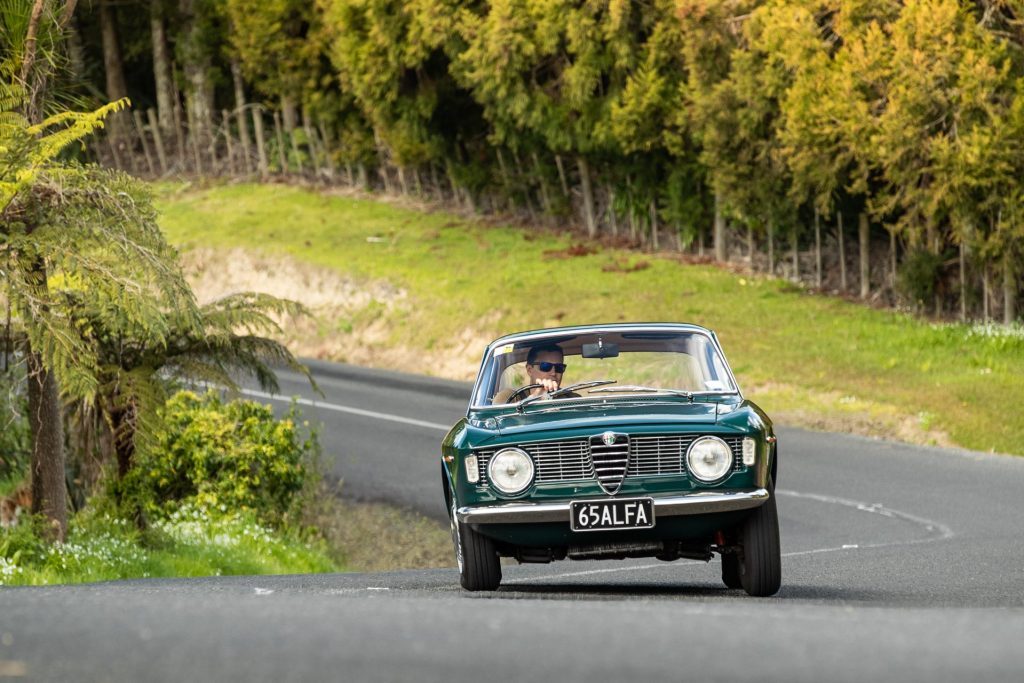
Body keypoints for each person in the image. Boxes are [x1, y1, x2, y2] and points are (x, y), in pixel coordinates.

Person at [493, 344, 568, 404]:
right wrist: (534, 399)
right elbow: (497, 417)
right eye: (545, 366)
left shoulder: (571, 399)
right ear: (529, 370)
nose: (553, 373)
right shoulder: (510, 397)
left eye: (559, 367)